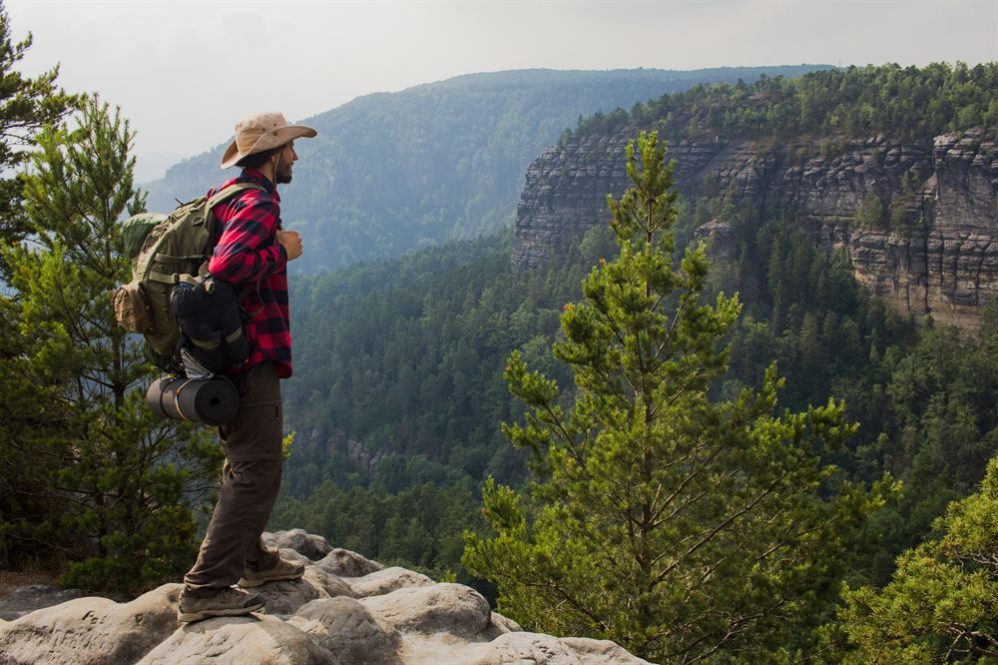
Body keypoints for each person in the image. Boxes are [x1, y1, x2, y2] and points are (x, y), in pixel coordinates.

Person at [177, 112, 317, 622]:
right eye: (289, 148)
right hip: (250, 352)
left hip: (225, 349)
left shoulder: (228, 194)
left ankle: (253, 560)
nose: (295, 157)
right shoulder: (258, 202)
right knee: (258, 469)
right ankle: (207, 588)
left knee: (245, 460)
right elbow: (228, 265)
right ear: (271, 154)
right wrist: (281, 252)